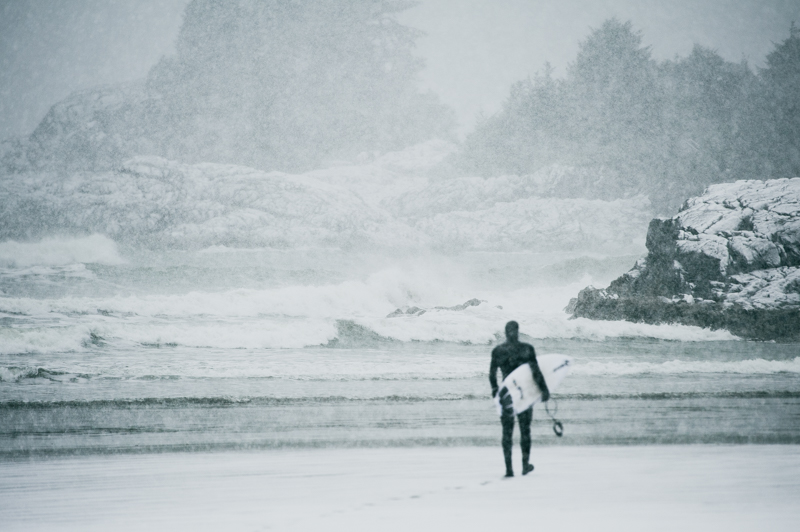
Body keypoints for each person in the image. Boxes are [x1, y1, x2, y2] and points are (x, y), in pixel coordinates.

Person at [490, 320, 549, 477]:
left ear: (505, 332)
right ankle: (524, 465)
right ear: (517, 331)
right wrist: (544, 390)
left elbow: (492, 375)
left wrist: (496, 391)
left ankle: (509, 470)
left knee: (507, 433)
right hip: (523, 394)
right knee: (525, 431)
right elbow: (535, 372)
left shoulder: (498, 351)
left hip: (507, 395)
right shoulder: (526, 350)